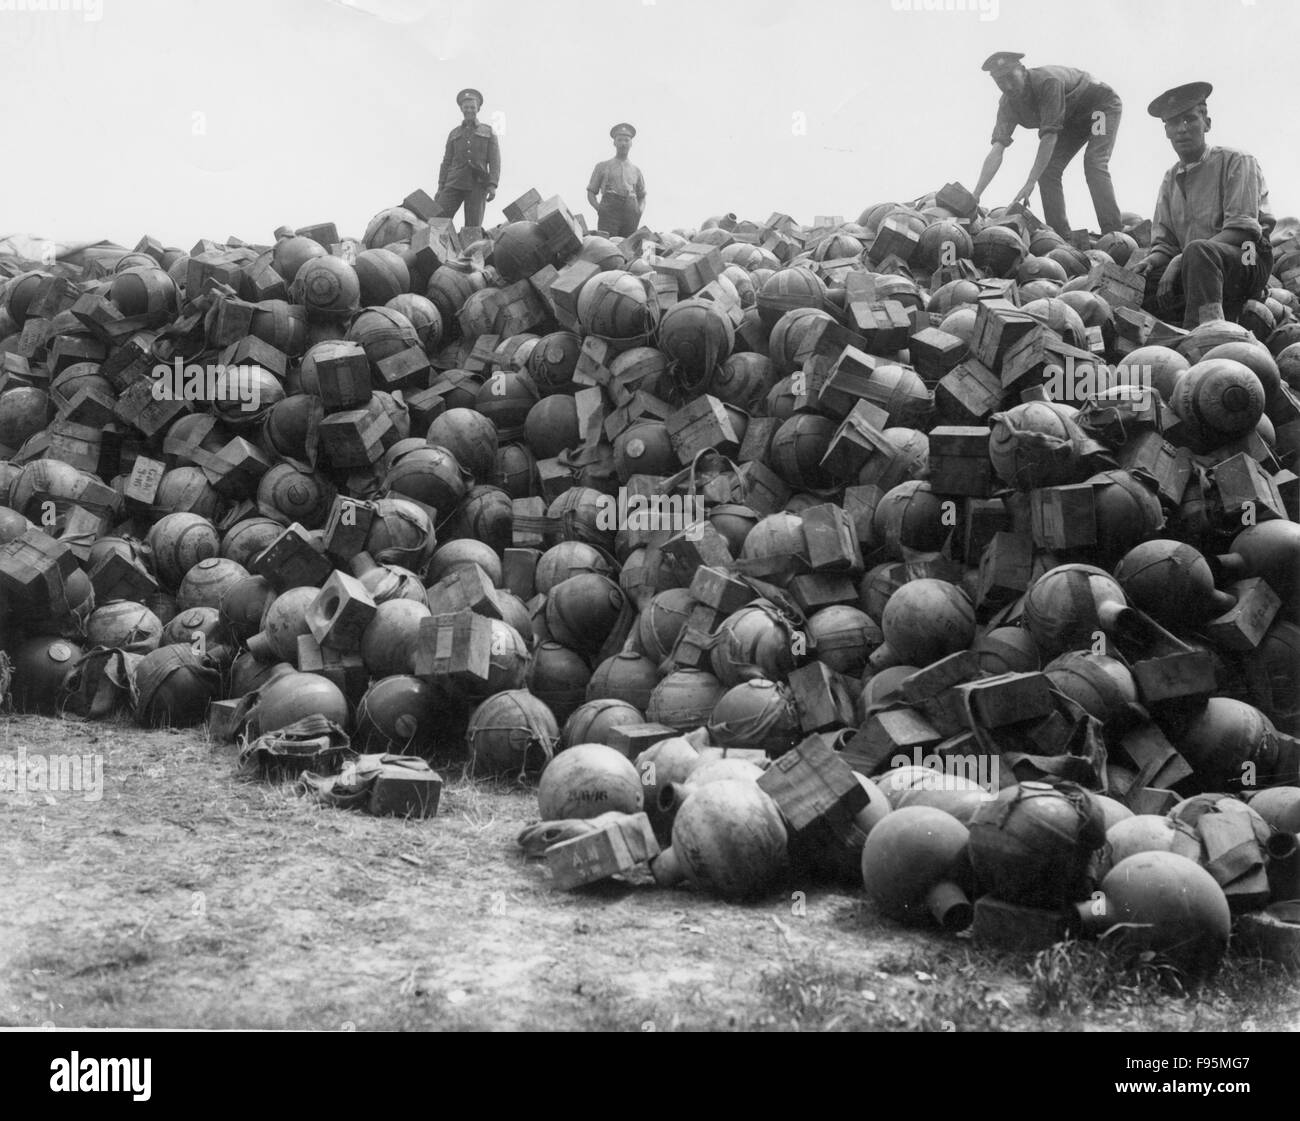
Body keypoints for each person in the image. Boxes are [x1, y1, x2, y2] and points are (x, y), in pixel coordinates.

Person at [1134, 82, 1274, 329]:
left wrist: (1180, 259)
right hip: (1197, 266)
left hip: (1247, 257)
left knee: (1198, 252)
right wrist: (1153, 261)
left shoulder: (1237, 161)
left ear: (1207, 124)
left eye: (1189, 120)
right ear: (1166, 132)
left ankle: (1205, 335)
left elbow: (1244, 230)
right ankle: (1171, 331)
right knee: (1141, 282)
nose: (1182, 130)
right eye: (1174, 124)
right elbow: (1165, 243)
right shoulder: (1170, 178)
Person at [971, 52, 1123, 238]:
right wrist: (975, 195)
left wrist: (1029, 183)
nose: (1007, 86)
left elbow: (1049, 137)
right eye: (1000, 82)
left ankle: (1113, 231)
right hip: (1070, 120)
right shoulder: (1007, 104)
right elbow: (997, 149)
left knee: (1094, 162)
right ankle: (1060, 236)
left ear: (1022, 70)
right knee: (1048, 171)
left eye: (1011, 77)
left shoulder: (1047, 82)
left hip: (1098, 109)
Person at [433, 88, 500, 228]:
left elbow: (495, 161)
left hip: (478, 184)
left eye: (472, 107)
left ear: (478, 108)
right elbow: (446, 162)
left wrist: (492, 184)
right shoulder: (454, 133)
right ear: (461, 109)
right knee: (437, 221)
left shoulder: (488, 131)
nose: (469, 110)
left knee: (472, 228)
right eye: (466, 107)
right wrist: (440, 188)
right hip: (454, 183)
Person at [586, 123, 646, 238]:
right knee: (607, 246)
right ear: (614, 143)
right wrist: (600, 209)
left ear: (631, 143)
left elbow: (642, 195)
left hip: (631, 214)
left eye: (626, 140)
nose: (623, 144)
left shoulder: (636, 170)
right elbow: (591, 192)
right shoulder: (602, 166)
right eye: (620, 140)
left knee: (628, 248)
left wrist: (639, 211)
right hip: (609, 214)